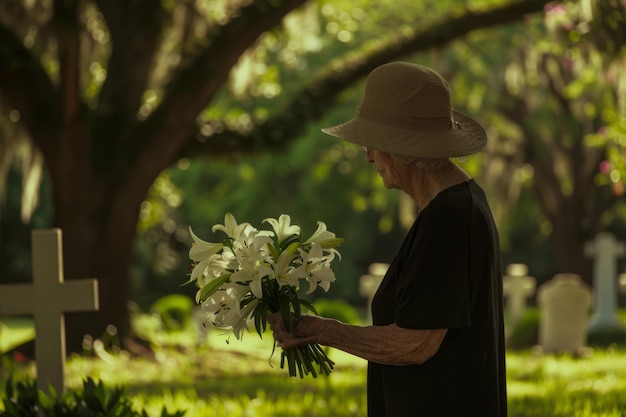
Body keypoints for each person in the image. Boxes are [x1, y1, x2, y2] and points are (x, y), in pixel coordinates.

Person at [268, 62, 507, 416]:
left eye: (375, 142)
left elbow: (415, 344)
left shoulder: (450, 216)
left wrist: (323, 331)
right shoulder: (455, 205)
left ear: (409, 150)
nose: (367, 156)